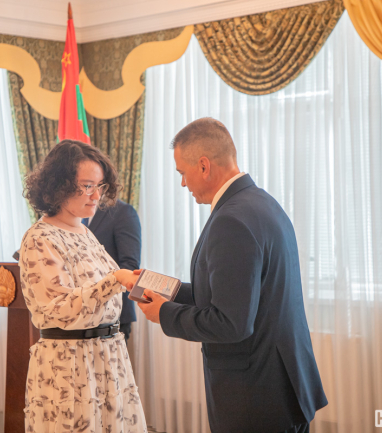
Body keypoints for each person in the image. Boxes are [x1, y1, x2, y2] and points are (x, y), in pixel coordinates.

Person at [138, 118, 327, 433]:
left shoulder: (231, 220)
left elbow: (231, 322)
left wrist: (164, 314)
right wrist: (162, 288)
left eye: (182, 173)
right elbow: (232, 291)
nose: (182, 183)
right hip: (279, 383)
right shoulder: (261, 202)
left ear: (204, 166)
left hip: (254, 396)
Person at [18, 139, 148, 433]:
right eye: (87, 186)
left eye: (99, 186)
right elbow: (60, 310)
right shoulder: (40, 238)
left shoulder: (84, 231)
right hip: (70, 365)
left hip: (107, 356)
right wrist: (115, 280)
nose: (96, 195)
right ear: (59, 186)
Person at [83, 200, 141, 341]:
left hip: (113, 314)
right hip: (81, 312)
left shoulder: (123, 212)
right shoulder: (76, 216)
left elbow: (130, 265)